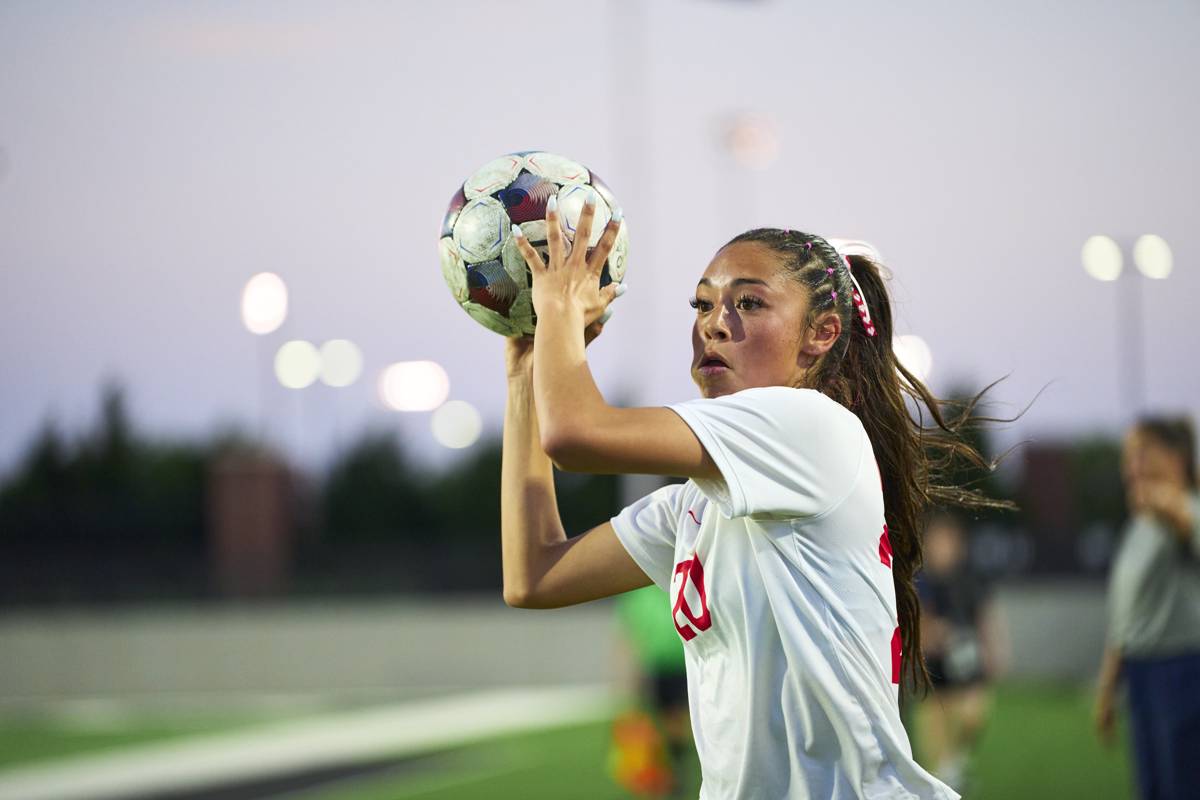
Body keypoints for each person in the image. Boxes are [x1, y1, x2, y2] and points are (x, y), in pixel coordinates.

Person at [500, 190, 1007, 799]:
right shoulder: (696, 502)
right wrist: (524, 377)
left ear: (820, 334)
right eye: (703, 303)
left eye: (749, 302)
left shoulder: (810, 427)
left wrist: (557, 309)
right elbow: (534, 573)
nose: (714, 322)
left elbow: (575, 436)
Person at [1094, 416, 1200, 800]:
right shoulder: (1139, 526)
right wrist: (1108, 687)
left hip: (1183, 670)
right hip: (1141, 674)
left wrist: (1170, 504)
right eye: (1128, 457)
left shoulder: (1185, 507)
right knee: (1153, 787)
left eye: (1141, 454)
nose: (1131, 468)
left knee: (1183, 786)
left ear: (1175, 458)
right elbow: (1125, 615)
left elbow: (1190, 523)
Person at [914, 510, 1006, 792]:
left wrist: (994, 651)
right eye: (936, 542)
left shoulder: (970, 578)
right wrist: (932, 636)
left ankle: (953, 762)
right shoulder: (923, 581)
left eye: (947, 541)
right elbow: (918, 624)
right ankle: (943, 773)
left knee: (974, 715)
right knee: (935, 724)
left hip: (967, 662)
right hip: (936, 664)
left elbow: (985, 616)